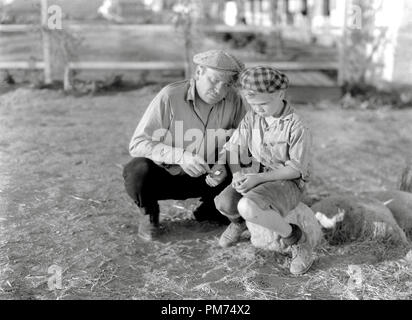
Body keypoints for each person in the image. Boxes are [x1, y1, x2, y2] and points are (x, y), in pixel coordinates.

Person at [122, 50, 246, 241]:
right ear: (198, 73)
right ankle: (149, 213)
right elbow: (138, 144)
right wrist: (181, 156)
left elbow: (243, 139)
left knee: (248, 163)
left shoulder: (234, 100)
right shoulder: (169, 96)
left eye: (227, 84)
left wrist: (223, 162)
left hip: (209, 174)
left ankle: (210, 209)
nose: (219, 90)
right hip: (168, 174)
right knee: (136, 170)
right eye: (214, 80)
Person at [214, 66, 314, 275]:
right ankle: (240, 223)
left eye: (264, 104)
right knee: (223, 202)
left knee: (248, 206)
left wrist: (257, 178)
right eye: (252, 104)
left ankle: (297, 239)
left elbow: (295, 169)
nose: (258, 109)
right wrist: (238, 174)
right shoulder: (252, 118)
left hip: (286, 181)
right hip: (256, 175)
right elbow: (233, 148)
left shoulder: (296, 126)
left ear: (280, 94)